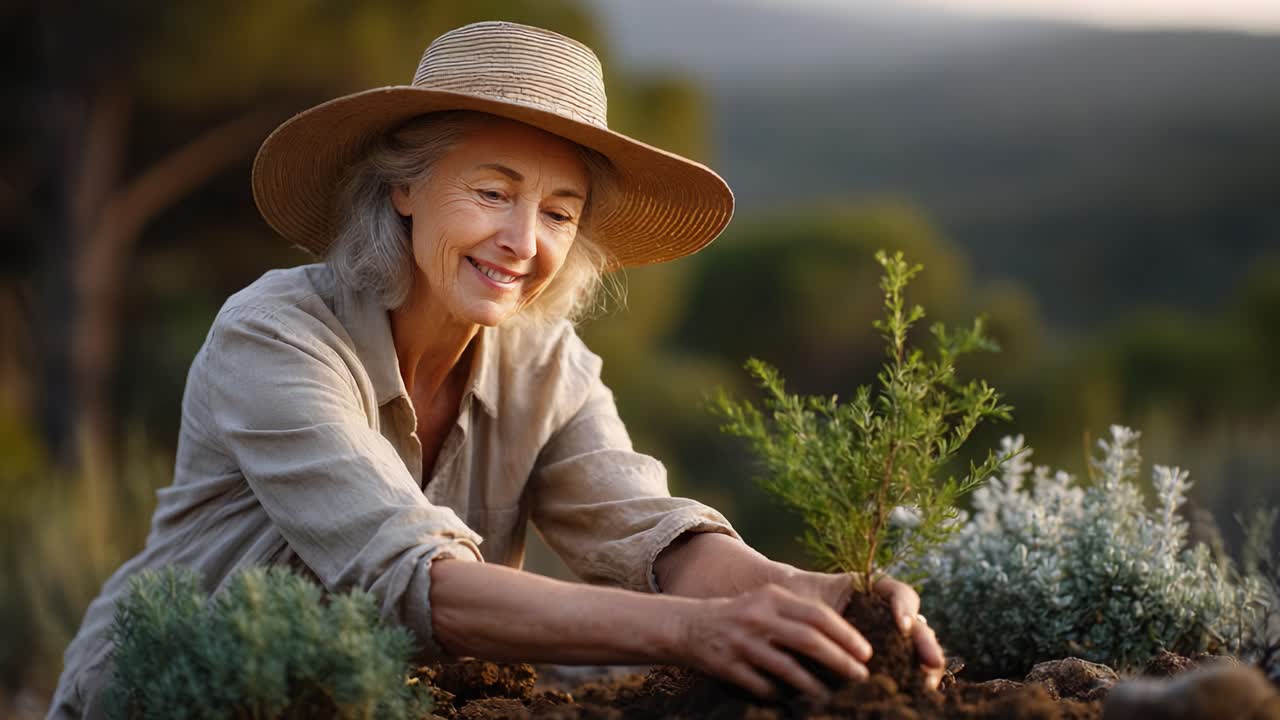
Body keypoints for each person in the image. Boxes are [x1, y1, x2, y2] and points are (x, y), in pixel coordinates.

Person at [48, 20, 944, 718]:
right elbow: (413, 577)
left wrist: (820, 597)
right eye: (492, 192)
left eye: (560, 212)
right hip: (176, 697)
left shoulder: (546, 361)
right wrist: (698, 635)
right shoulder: (275, 336)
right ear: (402, 188)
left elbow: (651, 536)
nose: (524, 242)